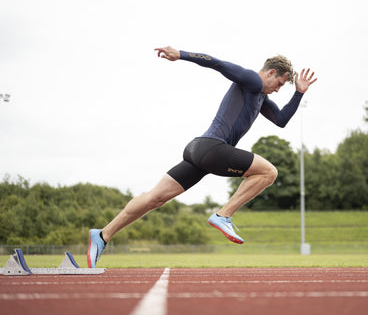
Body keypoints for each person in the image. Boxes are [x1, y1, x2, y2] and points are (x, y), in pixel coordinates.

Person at [87, 46, 317, 268]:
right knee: (269, 172)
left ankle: (103, 235)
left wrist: (299, 93)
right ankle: (223, 215)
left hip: (198, 151)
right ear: (271, 73)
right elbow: (217, 63)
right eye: (278, 84)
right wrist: (181, 55)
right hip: (212, 148)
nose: (277, 89)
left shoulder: (260, 97)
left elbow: (281, 120)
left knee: (154, 198)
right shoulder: (253, 80)